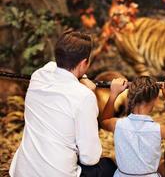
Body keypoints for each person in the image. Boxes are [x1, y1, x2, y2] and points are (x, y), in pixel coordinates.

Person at [9, 30, 116, 177]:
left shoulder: (38, 76)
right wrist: (88, 86)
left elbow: (53, 66)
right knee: (108, 167)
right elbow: (90, 158)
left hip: (23, 171)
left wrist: (82, 76)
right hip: (57, 173)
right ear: (84, 62)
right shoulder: (84, 96)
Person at [101, 76, 165, 177]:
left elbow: (104, 120)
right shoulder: (159, 130)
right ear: (154, 100)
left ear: (130, 98)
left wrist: (113, 94)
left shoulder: (118, 125)